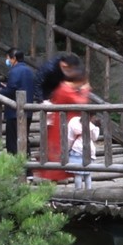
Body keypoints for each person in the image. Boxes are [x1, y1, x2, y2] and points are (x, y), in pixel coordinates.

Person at [36, 53, 89, 182]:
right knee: (57, 147)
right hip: (61, 122)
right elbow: (80, 102)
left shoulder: (66, 87)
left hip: (65, 120)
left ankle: (58, 174)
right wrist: (85, 90)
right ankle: (52, 175)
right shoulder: (65, 89)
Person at [1, 49, 40, 155]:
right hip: (28, 111)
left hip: (15, 112)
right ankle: (28, 169)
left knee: (13, 142)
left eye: (8, 58)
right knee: (24, 139)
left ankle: (15, 167)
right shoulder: (30, 71)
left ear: (14, 58)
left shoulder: (14, 71)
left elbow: (11, 90)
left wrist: (1, 91)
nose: (7, 61)